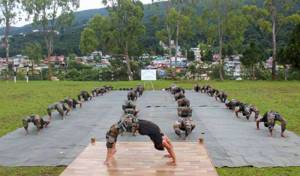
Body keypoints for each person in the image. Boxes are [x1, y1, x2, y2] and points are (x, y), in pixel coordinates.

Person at [104, 119, 176, 166]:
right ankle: (110, 155)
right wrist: (173, 158)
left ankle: (111, 153)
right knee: (111, 134)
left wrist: (173, 158)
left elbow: (169, 146)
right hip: (134, 124)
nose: (153, 142)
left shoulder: (160, 135)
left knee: (111, 133)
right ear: (157, 144)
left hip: (135, 122)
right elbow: (169, 147)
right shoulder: (160, 138)